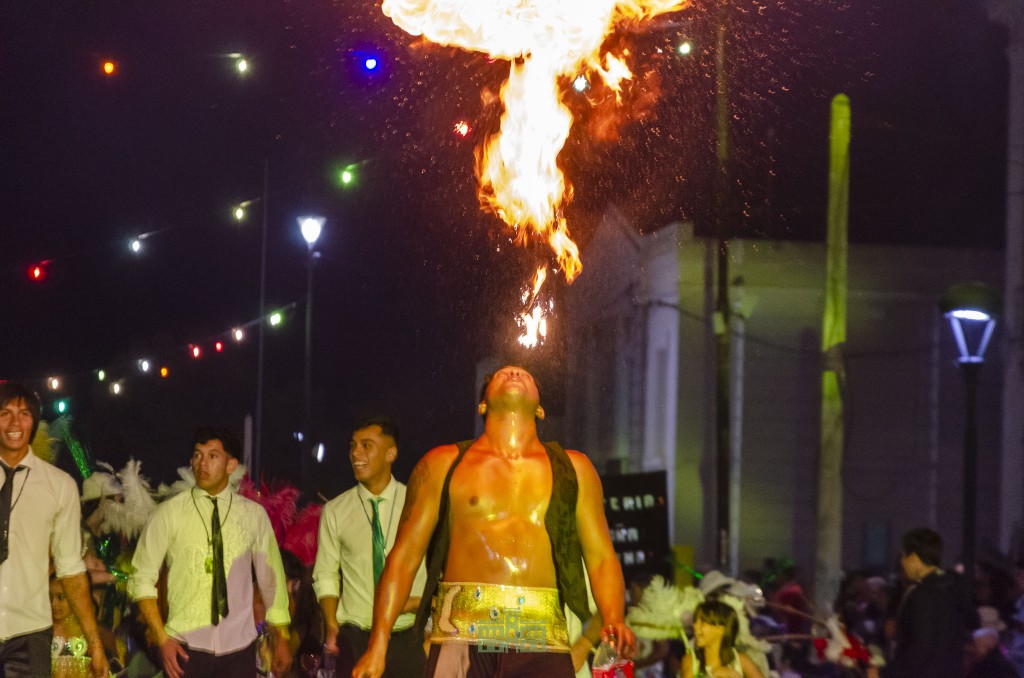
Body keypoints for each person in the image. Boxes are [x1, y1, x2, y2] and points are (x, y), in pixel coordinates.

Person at [352, 365, 636, 678]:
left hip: (542, 641)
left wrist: (614, 618)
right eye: (502, 373)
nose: (514, 372)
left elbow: (601, 557)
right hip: (461, 638)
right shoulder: (441, 464)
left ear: (540, 408)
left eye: (525, 374)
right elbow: (404, 557)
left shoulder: (575, 469)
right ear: (483, 404)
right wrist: (377, 644)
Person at [129, 426, 292, 678]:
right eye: (197, 455)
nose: (201, 463)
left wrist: (281, 635)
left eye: (212, 456)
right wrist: (162, 639)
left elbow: (272, 579)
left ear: (231, 465)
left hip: (240, 648)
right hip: (184, 647)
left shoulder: (253, 515)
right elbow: (140, 579)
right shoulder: (169, 513)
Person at [0, 382, 109, 677]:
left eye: (23, 413)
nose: (14, 423)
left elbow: (71, 570)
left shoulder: (59, 486)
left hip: (30, 634)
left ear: (34, 421)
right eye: (5, 413)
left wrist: (95, 643)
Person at [313, 417, 426, 678]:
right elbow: (326, 575)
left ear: (390, 453)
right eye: (353, 446)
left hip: (406, 637)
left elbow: (439, 573)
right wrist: (331, 625)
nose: (355, 453)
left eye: (366, 445)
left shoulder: (418, 506)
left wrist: (419, 606)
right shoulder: (335, 511)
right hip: (354, 639)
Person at [881, 527, 976, 677]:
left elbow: (920, 649)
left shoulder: (922, 594)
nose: (902, 562)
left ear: (914, 558)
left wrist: (885, 673)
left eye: (903, 556)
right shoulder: (955, 587)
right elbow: (973, 621)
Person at [681, 601, 765, 678]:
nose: (695, 626)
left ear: (721, 629)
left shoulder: (741, 660)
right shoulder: (691, 661)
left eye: (702, 622)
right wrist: (711, 675)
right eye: (695, 621)